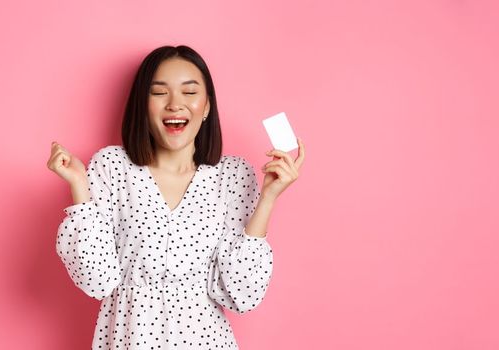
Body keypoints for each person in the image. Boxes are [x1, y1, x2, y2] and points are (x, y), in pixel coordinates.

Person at [46, 45, 305, 349]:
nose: (174, 104)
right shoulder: (112, 167)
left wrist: (269, 198)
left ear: (207, 106)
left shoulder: (233, 176)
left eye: (189, 92)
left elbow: (243, 295)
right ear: (143, 105)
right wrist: (79, 186)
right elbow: (98, 280)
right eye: (159, 93)